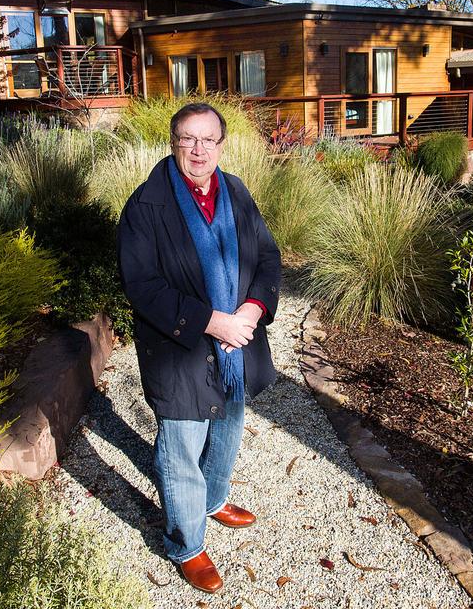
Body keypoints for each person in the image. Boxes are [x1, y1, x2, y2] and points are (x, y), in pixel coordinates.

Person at [117, 102, 281, 594]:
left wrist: (252, 309)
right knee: (181, 443)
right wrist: (213, 322)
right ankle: (187, 543)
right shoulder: (146, 205)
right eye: (189, 138)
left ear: (222, 145)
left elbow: (267, 256)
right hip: (180, 346)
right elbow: (141, 286)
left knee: (228, 426)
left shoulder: (235, 191)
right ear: (173, 141)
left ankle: (213, 497)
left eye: (209, 139)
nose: (199, 149)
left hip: (237, 344)